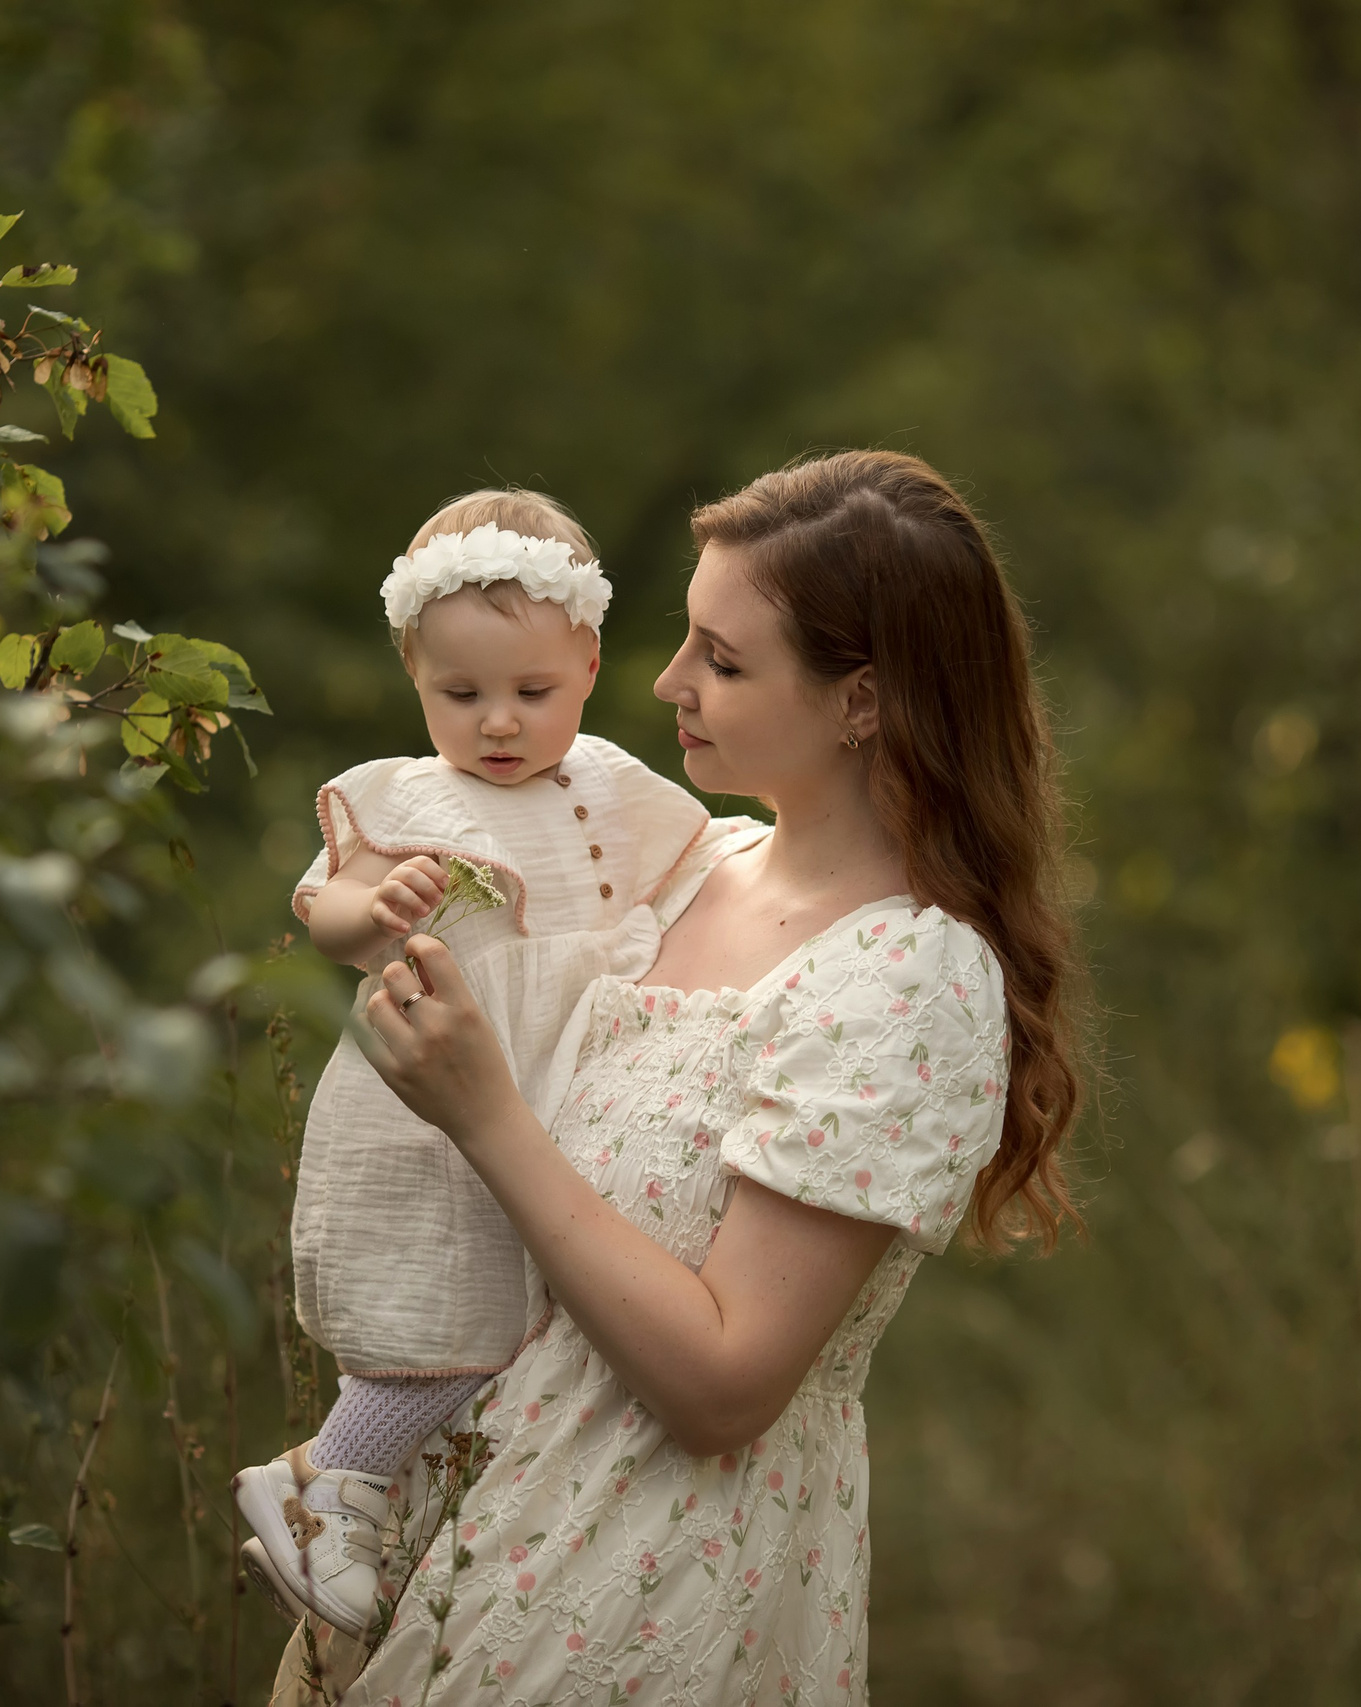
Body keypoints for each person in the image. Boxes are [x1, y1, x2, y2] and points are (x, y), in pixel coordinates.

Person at [282, 450, 1085, 1703]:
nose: (668, 684)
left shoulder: (904, 977)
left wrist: (482, 1111)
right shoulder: (682, 867)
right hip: (442, 1541)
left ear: (860, 698)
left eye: (723, 658)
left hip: (639, 1587)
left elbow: (724, 1387)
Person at [235, 490, 712, 1639]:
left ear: (589, 665)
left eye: (530, 693)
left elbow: (699, 867)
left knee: (545, 1320)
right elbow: (326, 914)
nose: (497, 722)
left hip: (563, 1087)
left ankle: (372, 1503)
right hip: (434, 1098)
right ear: (413, 674)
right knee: (447, 1303)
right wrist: (374, 909)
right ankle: (328, 1480)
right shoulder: (408, 795)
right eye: (461, 694)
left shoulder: (612, 784)